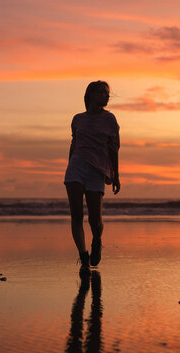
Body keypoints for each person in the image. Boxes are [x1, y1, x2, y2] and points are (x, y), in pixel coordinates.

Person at [64, 80, 120, 272]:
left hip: (97, 171)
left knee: (95, 220)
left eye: (107, 93)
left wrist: (115, 174)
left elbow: (114, 148)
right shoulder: (78, 119)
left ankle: (97, 240)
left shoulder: (110, 120)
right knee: (76, 215)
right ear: (91, 95)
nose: (107, 96)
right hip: (76, 167)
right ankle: (83, 256)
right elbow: (74, 144)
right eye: (103, 92)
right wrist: (70, 164)